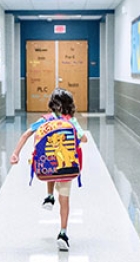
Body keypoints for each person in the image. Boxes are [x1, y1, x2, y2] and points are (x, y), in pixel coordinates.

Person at [10, 88, 88, 251]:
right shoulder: (71, 121)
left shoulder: (45, 119)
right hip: (67, 167)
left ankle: (49, 195)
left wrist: (15, 154)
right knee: (65, 200)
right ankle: (63, 233)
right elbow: (84, 139)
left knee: (50, 164)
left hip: (47, 167)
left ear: (52, 104)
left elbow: (26, 135)